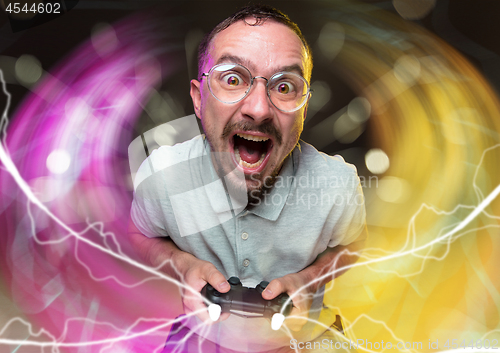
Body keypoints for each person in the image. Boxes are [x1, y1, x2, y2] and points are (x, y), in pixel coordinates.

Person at [128, 4, 367, 352]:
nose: (258, 108)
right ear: (198, 98)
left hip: (307, 340)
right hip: (203, 339)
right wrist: (183, 265)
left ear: (303, 109)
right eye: (233, 79)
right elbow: (139, 234)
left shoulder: (337, 183)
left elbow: (354, 245)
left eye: (285, 86)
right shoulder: (162, 175)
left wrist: (309, 279)